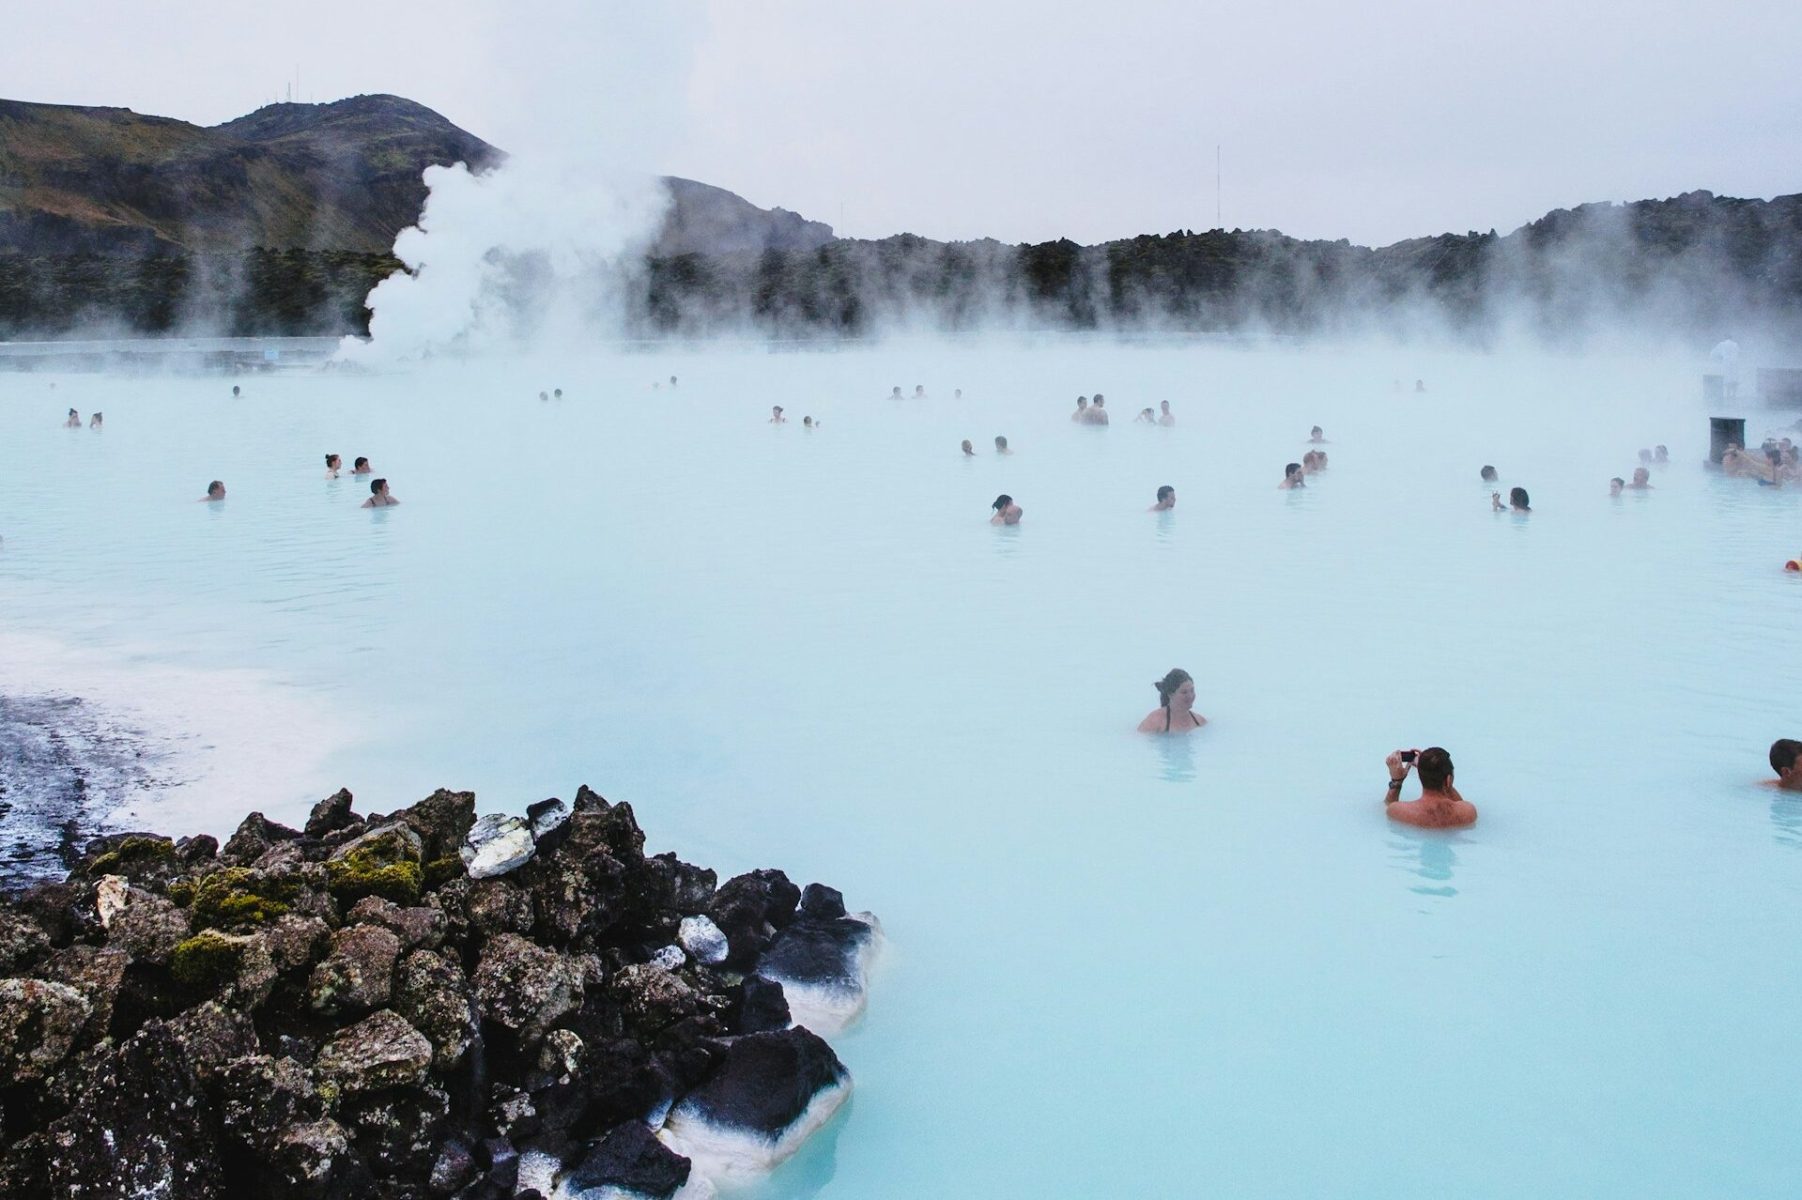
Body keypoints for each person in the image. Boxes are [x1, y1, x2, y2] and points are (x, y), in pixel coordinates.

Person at [1383, 748, 1477, 827]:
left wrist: (1397, 781)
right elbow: (1460, 803)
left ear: (1420, 776)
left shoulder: (1398, 811)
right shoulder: (1468, 812)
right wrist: (1449, 786)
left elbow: (1387, 808)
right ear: (1448, 780)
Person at [1137, 668, 1207, 733]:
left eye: (1192, 690)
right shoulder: (1155, 721)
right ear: (1170, 694)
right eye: (1184, 692)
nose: (1190, 696)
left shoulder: (1200, 722)